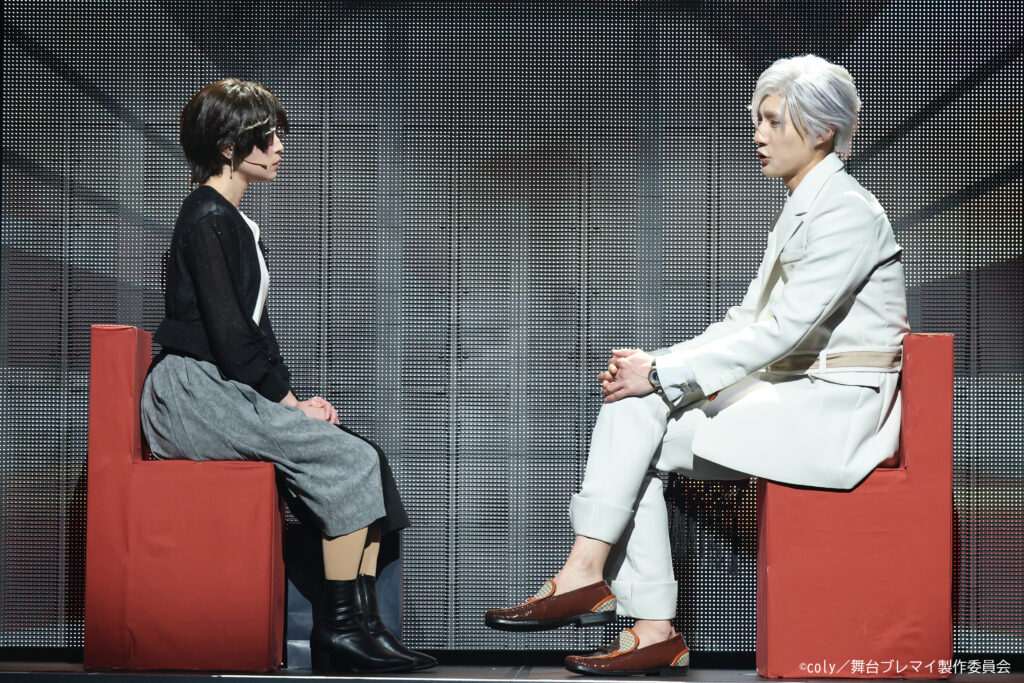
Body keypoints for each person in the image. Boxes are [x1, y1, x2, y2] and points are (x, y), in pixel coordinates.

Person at [485, 54, 908, 676]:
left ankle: (596, 584)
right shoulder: (808, 204)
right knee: (635, 414)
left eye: (773, 121)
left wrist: (660, 377)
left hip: (837, 409)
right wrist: (654, 364)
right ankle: (640, 620)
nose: (757, 134)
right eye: (757, 120)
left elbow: (783, 331)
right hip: (799, 392)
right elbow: (745, 320)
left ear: (821, 131)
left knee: (642, 411)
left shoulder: (845, 210)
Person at [140, 78, 435, 674]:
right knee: (348, 460)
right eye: (266, 136)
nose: (279, 147)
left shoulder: (233, 221)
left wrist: (294, 400)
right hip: (192, 393)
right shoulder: (205, 217)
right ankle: (340, 631)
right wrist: (288, 405)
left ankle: (364, 624)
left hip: (221, 385)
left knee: (365, 456)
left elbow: (257, 336)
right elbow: (230, 337)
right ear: (228, 146)